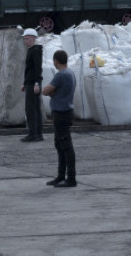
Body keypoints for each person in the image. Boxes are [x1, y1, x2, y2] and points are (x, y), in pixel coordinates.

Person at [42, 49, 77, 188]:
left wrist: (51, 91)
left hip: (61, 113)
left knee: (66, 146)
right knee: (60, 145)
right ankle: (61, 176)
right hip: (66, 111)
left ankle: (71, 178)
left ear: (56, 61)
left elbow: (45, 91)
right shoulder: (71, 73)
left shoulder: (61, 75)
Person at [20, 28, 44, 142]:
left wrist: (36, 83)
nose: (25, 41)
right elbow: (29, 70)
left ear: (34, 38)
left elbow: (37, 68)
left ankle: (33, 133)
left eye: (27, 38)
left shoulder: (36, 50)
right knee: (35, 108)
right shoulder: (31, 50)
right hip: (30, 83)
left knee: (31, 109)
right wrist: (25, 83)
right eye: (24, 39)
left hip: (33, 84)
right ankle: (37, 133)